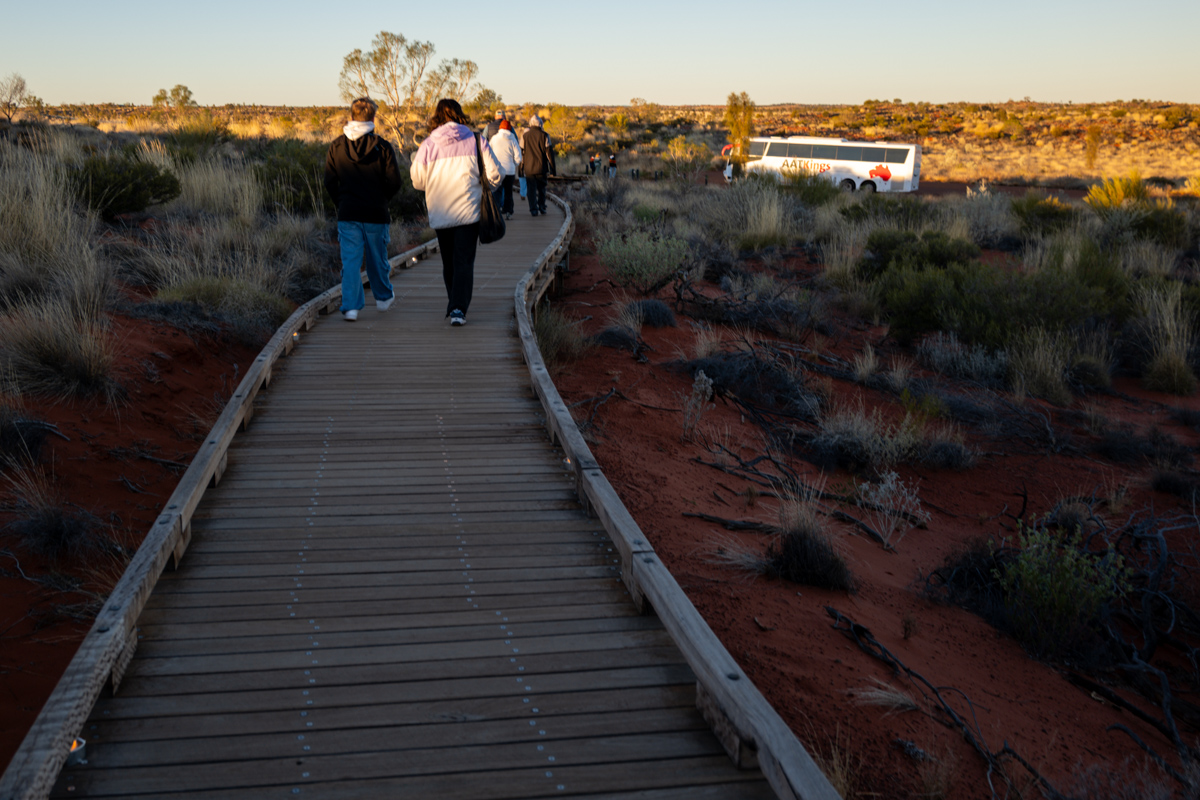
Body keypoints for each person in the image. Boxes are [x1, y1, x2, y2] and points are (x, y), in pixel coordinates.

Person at [410, 98, 502, 327]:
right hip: (468, 211)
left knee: (448, 262)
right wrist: (484, 187)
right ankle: (458, 308)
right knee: (464, 261)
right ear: (460, 114)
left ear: (437, 116)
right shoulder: (475, 139)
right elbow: (495, 174)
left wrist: (433, 184)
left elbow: (417, 181)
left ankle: (455, 303)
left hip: (441, 211)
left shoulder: (428, 144)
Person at [324, 97, 403, 322]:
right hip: (376, 213)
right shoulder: (383, 146)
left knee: (351, 261)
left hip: (348, 213)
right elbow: (395, 181)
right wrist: (382, 199)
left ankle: (351, 307)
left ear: (351, 116)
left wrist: (341, 202)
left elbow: (330, 181)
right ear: (373, 117)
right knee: (377, 258)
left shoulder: (337, 146)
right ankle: (383, 298)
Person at [522, 115, 555, 217]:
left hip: (529, 168)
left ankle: (533, 209)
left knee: (531, 190)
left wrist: (520, 168)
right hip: (541, 168)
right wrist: (553, 169)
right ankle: (542, 206)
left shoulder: (525, 136)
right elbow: (549, 153)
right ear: (540, 124)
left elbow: (521, 153)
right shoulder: (545, 135)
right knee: (542, 188)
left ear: (531, 124)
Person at [489, 119, 521, 220]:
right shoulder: (513, 140)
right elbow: (518, 157)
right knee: (508, 192)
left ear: (500, 128)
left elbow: (488, 152)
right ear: (510, 128)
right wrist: (514, 164)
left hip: (497, 170)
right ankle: (509, 212)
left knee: (497, 192)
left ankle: (496, 212)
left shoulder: (494, 139)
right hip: (509, 171)